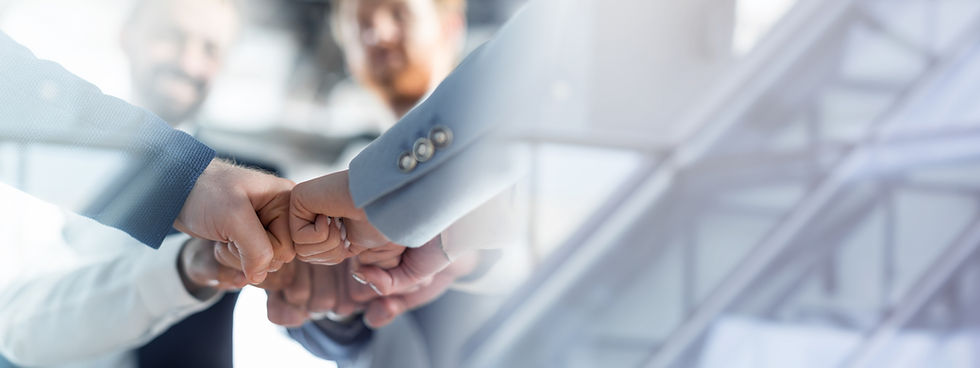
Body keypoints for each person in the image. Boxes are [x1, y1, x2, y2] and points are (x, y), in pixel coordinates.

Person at [0, 0, 276, 366]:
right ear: (128, 34)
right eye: (171, 36)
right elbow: (16, 325)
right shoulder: (48, 159)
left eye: (209, 48)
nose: (188, 63)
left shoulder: (254, 182)